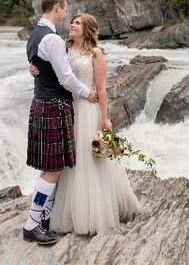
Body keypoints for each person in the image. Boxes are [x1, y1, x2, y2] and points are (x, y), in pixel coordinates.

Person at [30, 13, 141, 235]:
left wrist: (105, 118)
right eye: (72, 21)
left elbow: (101, 89)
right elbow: (47, 64)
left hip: (88, 109)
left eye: (78, 23)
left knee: (89, 159)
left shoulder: (96, 54)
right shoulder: (62, 47)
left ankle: (91, 212)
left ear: (87, 28)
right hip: (67, 107)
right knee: (68, 161)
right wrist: (31, 66)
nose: (72, 24)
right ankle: (63, 209)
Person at [23, 0, 98, 245]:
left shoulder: (34, 35)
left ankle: (44, 217)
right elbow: (65, 78)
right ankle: (33, 224)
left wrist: (32, 69)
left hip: (41, 104)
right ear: (57, 7)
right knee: (53, 169)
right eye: (66, 11)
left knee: (51, 167)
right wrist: (88, 93)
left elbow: (37, 65)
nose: (67, 16)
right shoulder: (53, 39)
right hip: (54, 106)